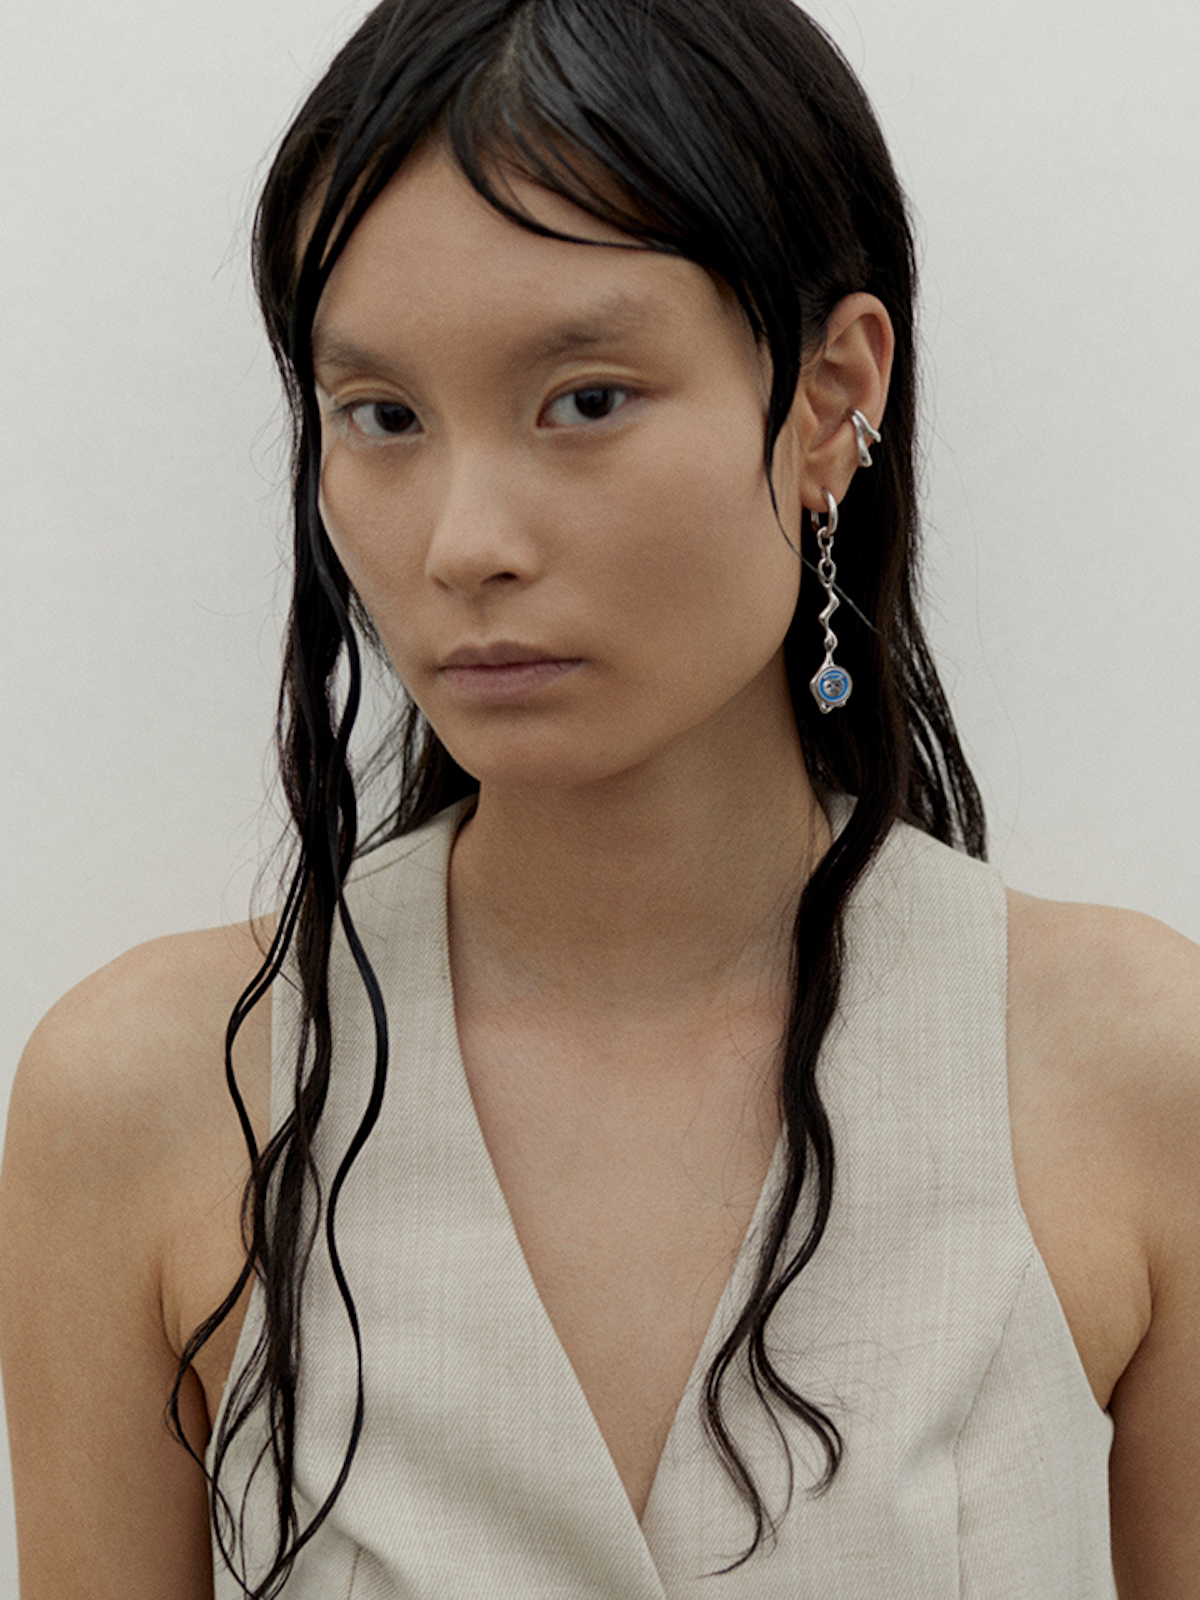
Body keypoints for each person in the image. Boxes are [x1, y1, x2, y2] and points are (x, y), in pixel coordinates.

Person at [1, 0, 1198, 1594]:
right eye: (382, 418)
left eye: (585, 399)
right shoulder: (150, 1101)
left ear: (832, 399)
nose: (464, 543)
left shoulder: (1132, 1072)